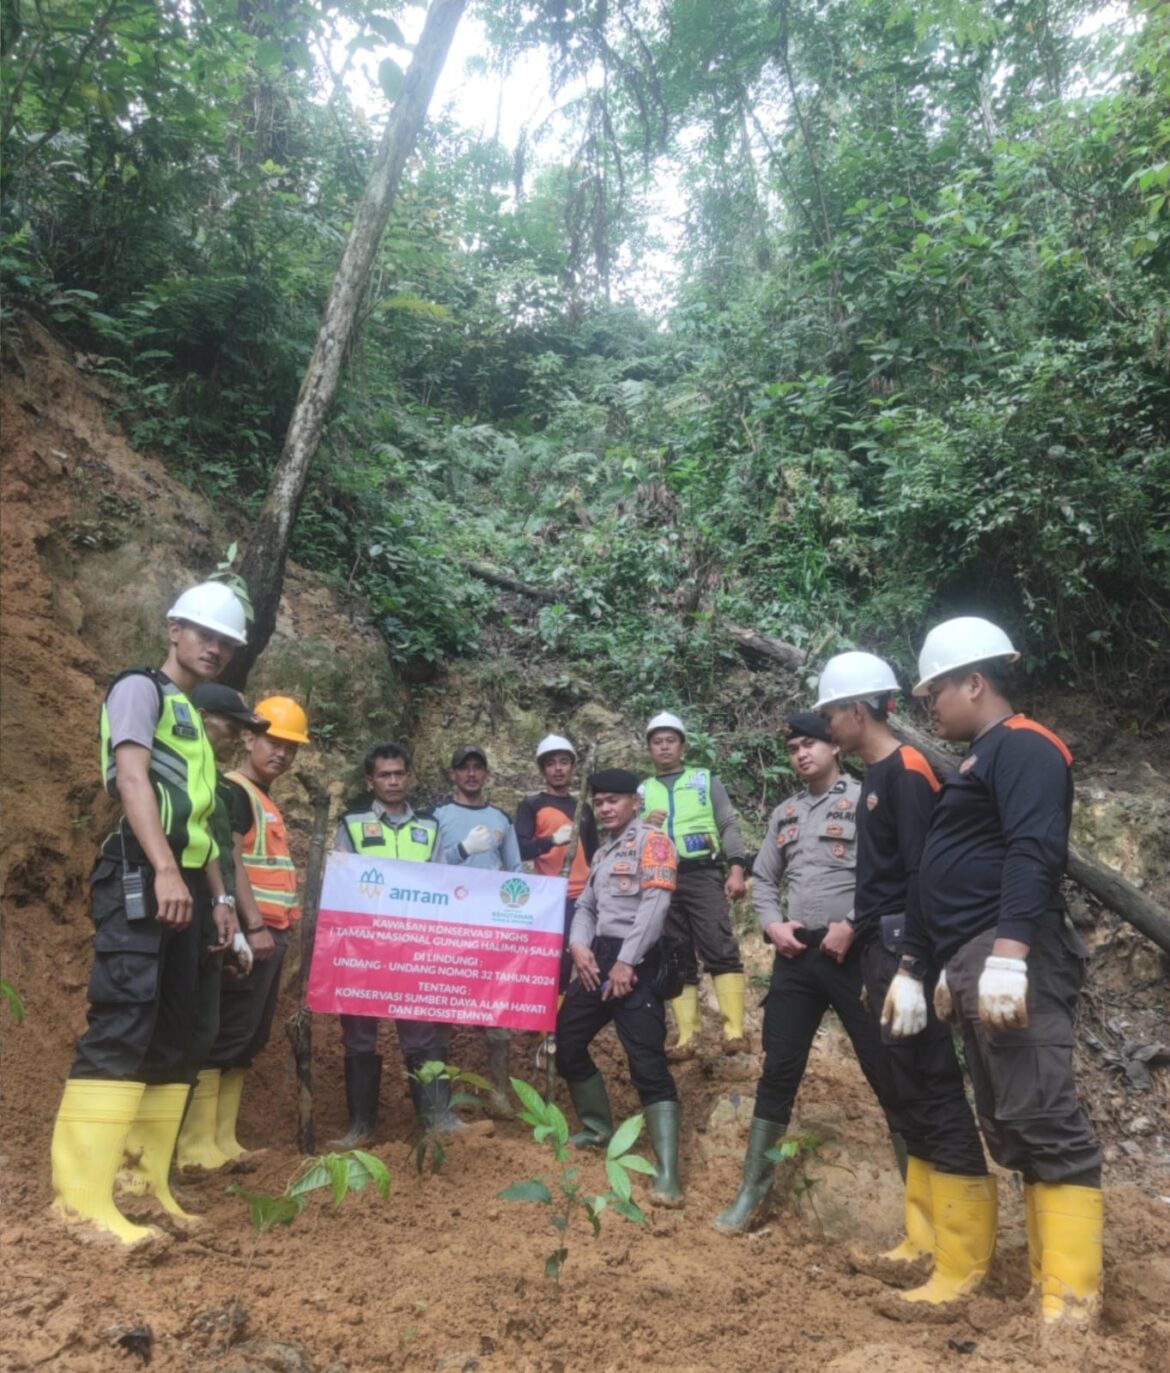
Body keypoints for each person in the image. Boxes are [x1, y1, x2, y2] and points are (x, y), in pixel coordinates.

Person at [913, 617, 1102, 1325]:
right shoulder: (980, 757)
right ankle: (1050, 1286)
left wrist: (1010, 954)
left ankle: (1072, 1305)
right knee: (1011, 1121)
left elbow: (1032, 849)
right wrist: (950, 964)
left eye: (936, 691)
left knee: (1043, 1115)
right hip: (976, 955)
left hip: (1010, 952)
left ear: (974, 682)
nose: (930, 706)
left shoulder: (1025, 745)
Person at [48, 581, 246, 1247]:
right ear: (173, 629)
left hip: (186, 881)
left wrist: (218, 896)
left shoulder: (190, 713)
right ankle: (80, 1201)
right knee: (124, 1018)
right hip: (140, 870)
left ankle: (140, 1186)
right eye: (204, 634)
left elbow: (200, 821)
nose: (214, 648)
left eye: (226, 641)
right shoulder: (141, 689)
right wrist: (162, 867)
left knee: (173, 1032)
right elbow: (131, 779)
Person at [816, 650, 989, 1305]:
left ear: (857, 710)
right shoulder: (876, 777)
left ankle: (962, 1262)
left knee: (934, 1087)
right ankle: (924, 1239)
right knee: (904, 1088)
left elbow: (925, 876)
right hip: (880, 947)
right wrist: (874, 964)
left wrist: (915, 967)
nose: (828, 725)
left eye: (832, 713)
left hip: (905, 946)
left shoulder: (909, 771)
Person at [713, 714, 904, 1234]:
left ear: (835, 746)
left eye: (810, 744)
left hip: (854, 955)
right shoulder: (786, 812)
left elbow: (887, 875)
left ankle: (922, 1198)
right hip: (796, 956)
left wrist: (853, 924)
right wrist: (771, 924)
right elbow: (763, 877)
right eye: (794, 747)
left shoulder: (865, 800)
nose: (801, 753)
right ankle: (751, 1194)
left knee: (885, 1066)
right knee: (778, 1069)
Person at [177, 696, 309, 1169]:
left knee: (247, 1039)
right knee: (228, 1031)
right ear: (249, 739)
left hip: (270, 932)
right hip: (254, 934)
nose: (282, 754)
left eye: (291, 747)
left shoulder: (261, 797)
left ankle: (223, 1141)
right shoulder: (236, 791)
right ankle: (196, 1147)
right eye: (274, 743)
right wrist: (251, 926)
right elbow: (231, 860)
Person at [556, 768, 684, 1208]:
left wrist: (627, 962)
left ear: (635, 802)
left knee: (646, 1061)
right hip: (598, 960)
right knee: (567, 1040)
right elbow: (586, 906)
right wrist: (578, 945)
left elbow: (655, 904)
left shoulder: (654, 842)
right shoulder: (604, 850)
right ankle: (597, 1128)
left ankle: (668, 1174)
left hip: (639, 960)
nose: (606, 808)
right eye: (600, 802)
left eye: (614, 800)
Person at [328, 741, 458, 1146]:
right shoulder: (351, 824)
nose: (393, 781)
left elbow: (442, 883)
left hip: (414, 946)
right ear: (370, 781)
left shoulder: (430, 827)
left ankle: (437, 1121)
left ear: (410, 777)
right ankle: (361, 1127)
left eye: (400, 773)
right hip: (362, 946)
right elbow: (339, 883)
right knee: (359, 1034)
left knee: (421, 1032)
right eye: (384, 775)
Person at [639, 711, 749, 1059]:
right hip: (660, 878)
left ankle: (734, 1031)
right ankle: (688, 1036)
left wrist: (736, 869)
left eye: (671, 741)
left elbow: (728, 824)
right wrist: (643, 824)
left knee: (718, 943)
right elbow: (628, 838)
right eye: (657, 742)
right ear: (649, 749)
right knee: (675, 953)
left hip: (703, 872)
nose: (664, 747)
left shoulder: (704, 780)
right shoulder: (641, 791)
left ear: (683, 746)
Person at [433, 745, 522, 1111]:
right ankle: (440, 1096)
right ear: (453, 774)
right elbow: (427, 869)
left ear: (486, 773)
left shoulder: (501, 819)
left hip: (491, 928)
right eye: (463, 767)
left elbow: (515, 872)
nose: (471, 773)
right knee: (442, 1006)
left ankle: (499, 1092)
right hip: (449, 926)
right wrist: (462, 850)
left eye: (477, 767)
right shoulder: (437, 817)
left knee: (495, 1008)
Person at [515, 734, 599, 994]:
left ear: (573, 767)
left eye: (564, 762)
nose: (558, 769)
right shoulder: (532, 804)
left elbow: (595, 854)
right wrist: (551, 840)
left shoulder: (583, 808)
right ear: (543, 770)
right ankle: (547, 1014)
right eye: (551, 764)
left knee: (583, 959)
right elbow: (520, 849)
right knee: (555, 961)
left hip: (584, 897)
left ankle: (567, 1012)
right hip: (552, 897)